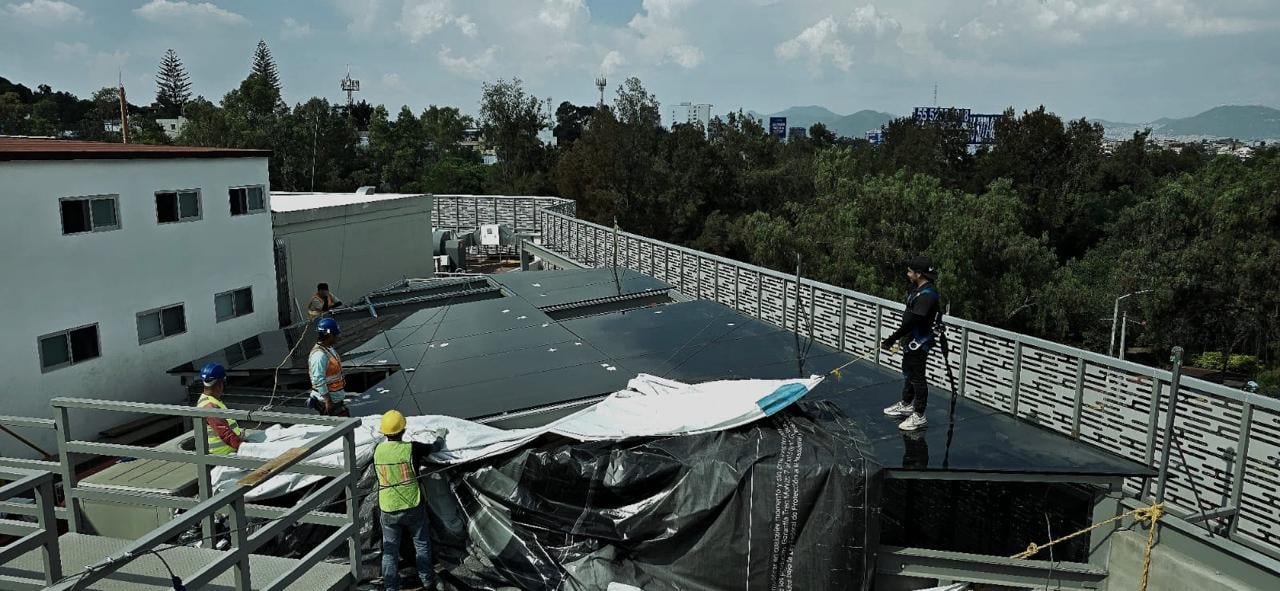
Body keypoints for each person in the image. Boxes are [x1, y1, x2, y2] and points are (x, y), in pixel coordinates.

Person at [375, 410, 447, 591]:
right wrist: (440, 435)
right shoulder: (411, 448)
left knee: (390, 551)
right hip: (412, 505)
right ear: (403, 430)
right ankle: (427, 582)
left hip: (388, 508)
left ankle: (391, 587)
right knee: (421, 545)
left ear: (384, 433)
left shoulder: (378, 451)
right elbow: (435, 447)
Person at [881, 256, 943, 431]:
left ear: (919, 274)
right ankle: (907, 404)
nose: (908, 274)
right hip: (910, 340)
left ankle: (919, 415)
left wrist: (892, 338)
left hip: (919, 342)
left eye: (910, 271)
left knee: (917, 377)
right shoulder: (919, 290)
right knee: (908, 372)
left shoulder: (928, 295)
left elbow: (913, 321)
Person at [196, 362, 243, 454]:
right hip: (223, 455)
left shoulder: (208, 400)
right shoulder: (210, 406)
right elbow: (225, 434)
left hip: (228, 450)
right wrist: (244, 446)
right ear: (220, 384)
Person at [308, 317, 349, 416]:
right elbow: (319, 379)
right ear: (329, 335)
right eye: (335, 334)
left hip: (335, 400)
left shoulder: (328, 349)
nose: (337, 337)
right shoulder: (319, 355)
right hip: (328, 403)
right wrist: (328, 401)